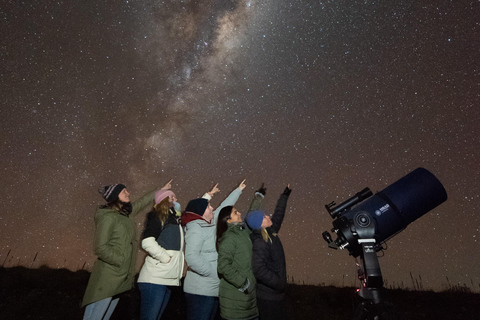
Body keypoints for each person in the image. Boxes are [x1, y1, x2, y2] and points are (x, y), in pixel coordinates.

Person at [82, 180, 172, 320]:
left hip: (120, 276)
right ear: (115, 196)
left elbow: (142, 202)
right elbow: (100, 247)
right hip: (108, 277)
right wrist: (120, 260)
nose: (128, 193)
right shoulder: (108, 217)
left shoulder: (125, 214)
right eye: (124, 191)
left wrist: (160, 189)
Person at [181, 180, 246, 320]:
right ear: (200, 213)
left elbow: (225, 206)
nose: (212, 208)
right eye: (209, 206)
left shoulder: (211, 222)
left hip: (213, 289)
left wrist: (238, 190)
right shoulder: (195, 228)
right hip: (200, 291)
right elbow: (191, 257)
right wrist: (212, 272)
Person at [216, 184, 267, 320]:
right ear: (228, 220)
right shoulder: (229, 238)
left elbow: (251, 215)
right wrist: (244, 283)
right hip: (235, 301)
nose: (239, 213)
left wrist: (258, 197)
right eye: (235, 212)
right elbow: (223, 266)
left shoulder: (243, 232)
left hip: (248, 301)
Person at [137, 186, 184, 320]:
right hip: (154, 279)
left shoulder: (174, 218)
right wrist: (166, 259)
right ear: (165, 199)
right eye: (173, 197)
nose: (176, 199)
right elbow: (147, 242)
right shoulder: (157, 215)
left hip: (167, 278)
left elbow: (198, 210)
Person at [245, 185, 292, 320]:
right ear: (260, 223)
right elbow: (258, 269)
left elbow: (278, 214)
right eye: (264, 216)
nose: (268, 215)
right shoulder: (260, 241)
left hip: (276, 295)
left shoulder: (271, 231)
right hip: (268, 297)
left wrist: (285, 195)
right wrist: (278, 283)